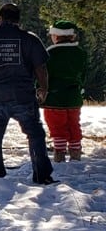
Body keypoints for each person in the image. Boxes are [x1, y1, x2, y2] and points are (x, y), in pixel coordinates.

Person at [0, 3, 55, 184]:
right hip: (23, 96)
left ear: (0, 18)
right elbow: (40, 67)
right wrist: (43, 87)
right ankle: (42, 175)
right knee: (35, 134)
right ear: (18, 20)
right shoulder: (30, 39)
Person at [42, 20, 88, 162]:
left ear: (56, 36)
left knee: (57, 126)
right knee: (74, 124)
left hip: (54, 98)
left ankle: (60, 154)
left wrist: (40, 90)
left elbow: (43, 74)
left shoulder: (50, 53)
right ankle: (75, 153)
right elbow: (83, 75)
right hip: (74, 97)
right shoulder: (80, 53)